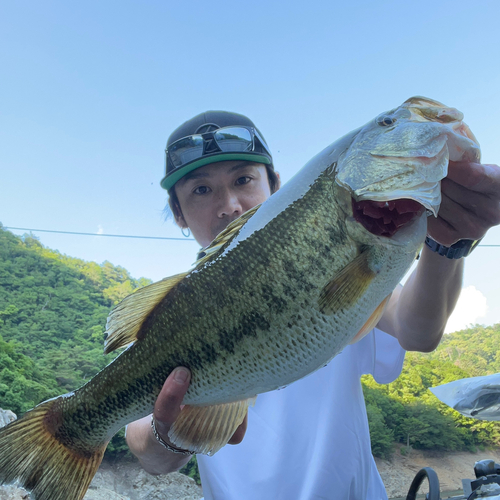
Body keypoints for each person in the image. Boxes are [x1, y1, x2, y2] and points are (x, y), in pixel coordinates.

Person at [126, 110, 500, 499]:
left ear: (276, 185)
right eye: (200, 190)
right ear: (179, 215)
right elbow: (149, 456)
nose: (231, 205)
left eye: (243, 179)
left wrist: (448, 240)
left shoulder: (324, 263)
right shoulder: (167, 318)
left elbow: (418, 331)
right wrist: (169, 433)